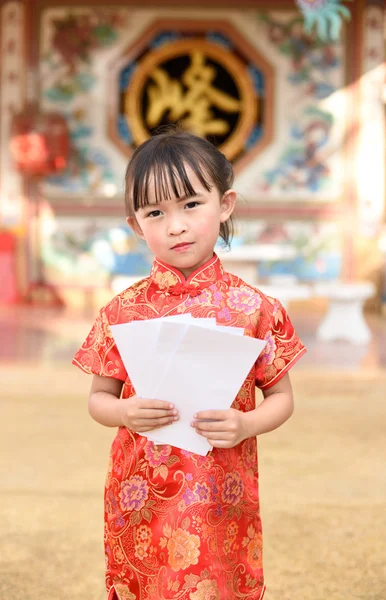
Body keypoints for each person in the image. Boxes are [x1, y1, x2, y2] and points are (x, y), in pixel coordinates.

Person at [73, 130, 306, 600]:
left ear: (225, 204)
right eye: (155, 213)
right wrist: (123, 412)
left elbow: (281, 399)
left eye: (191, 204)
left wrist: (245, 423)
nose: (175, 226)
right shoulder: (123, 311)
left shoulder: (256, 308)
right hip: (139, 493)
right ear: (136, 225)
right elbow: (99, 399)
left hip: (222, 494)